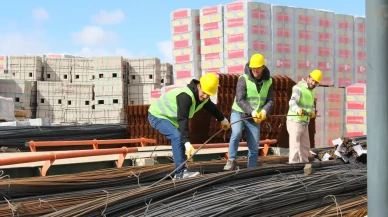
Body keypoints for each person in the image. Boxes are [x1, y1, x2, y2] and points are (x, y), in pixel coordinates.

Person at [148, 73, 231, 179]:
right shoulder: (185, 96)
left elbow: (211, 107)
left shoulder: (202, 97)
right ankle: (180, 173)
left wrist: (222, 119)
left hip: (169, 118)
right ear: (199, 86)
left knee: (180, 138)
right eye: (204, 93)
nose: (205, 97)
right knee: (177, 137)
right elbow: (183, 120)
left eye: (209, 95)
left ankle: (182, 171)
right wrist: (187, 142)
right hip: (157, 115)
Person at [223, 53, 274, 170]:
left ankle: (251, 169)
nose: (255, 70)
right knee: (236, 133)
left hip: (255, 117)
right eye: (253, 67)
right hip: (239, 113)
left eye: (258, 67)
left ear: (263, 67)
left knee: (254, 145)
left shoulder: (269, 81)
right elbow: (240, 99)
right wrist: (252, 112)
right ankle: (231, 160)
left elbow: (270, 101)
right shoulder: (243, 79)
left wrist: (264, 112)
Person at [287, 69, 322, 164]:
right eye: (312, 80)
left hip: (304, 122)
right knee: (294, 147)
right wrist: (298, 110)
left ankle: (304, 166)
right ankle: (293, 168)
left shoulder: (312, 91)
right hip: (295, 121)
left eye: (316, 82)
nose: (313, 83)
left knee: (305, 147)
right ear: (308, 78)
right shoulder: (298, 87)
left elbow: (311, 105)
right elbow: (292, 102)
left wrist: (313, 112)